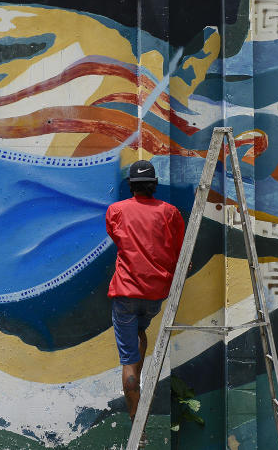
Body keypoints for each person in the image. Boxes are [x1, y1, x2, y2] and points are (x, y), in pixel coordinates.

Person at [106, 159, 186, 423]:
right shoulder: (170, 212)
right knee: (141, 332)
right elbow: (179, 252)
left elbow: (117, 237)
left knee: (128, 359)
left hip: (126, 291)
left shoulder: (116, 211)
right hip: (154, 294)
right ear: (154, 185)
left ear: (131, 185)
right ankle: (137, 382)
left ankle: (136, 421)